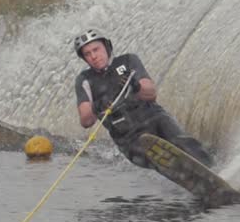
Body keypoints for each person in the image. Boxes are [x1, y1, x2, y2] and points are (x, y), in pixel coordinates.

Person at [72, 29, 214, 169]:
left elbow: (151, 94)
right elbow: (86, 120)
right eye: (87, 54)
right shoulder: (85, 80)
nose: (93, 56)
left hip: (155, 119)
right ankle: (184, 173)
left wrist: (136, 85)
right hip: (128, 138)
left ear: (106, 46)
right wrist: (97, 106)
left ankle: (213, 170)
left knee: (182, 142)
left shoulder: (128, 61)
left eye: (96, 50)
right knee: (156, 157)